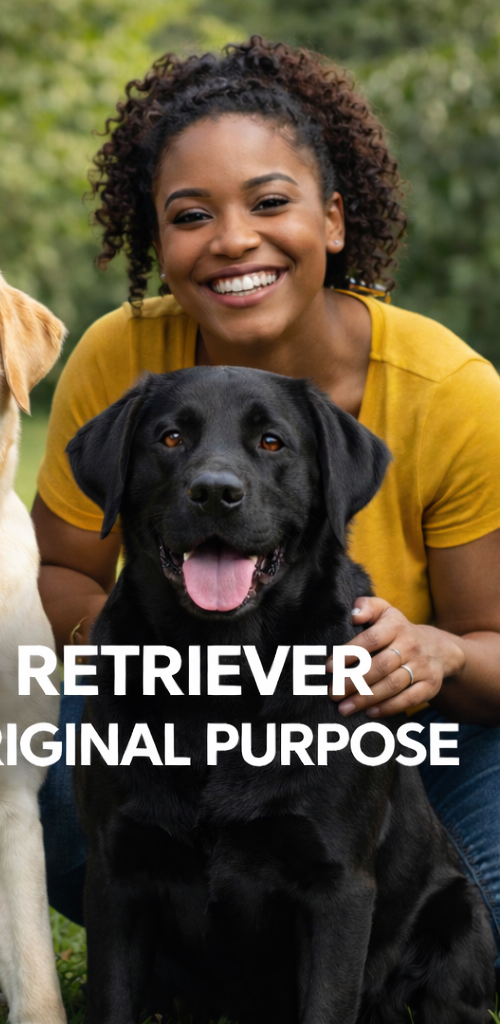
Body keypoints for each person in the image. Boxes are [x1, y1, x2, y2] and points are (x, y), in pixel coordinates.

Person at [33, 36, 500, 978]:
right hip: (165, 720)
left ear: (333, 218)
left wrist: (440, 652)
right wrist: (150, 651)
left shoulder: (451, 391)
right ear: (155, 238)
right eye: (191, 214)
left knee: (469, 939)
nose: (233, 239)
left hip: (409, 751)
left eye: (271, 202)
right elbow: (60, 576)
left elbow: (496, 642)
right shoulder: (121, 359)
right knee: (41, 796)